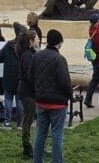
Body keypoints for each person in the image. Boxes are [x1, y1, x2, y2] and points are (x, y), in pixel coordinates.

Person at [31, 28, 70, 163]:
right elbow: (65, 82)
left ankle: (37, 160)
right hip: (58, 103)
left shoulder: (37, 56)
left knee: (40, 133)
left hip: (41, 101)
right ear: (59, 43)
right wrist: (69, 96)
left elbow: (31, 76)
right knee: (57, 134)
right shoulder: (59, 59)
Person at [16, 29, 39, 158]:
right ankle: (27, 146)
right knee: (28, 120)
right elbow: (30, 76)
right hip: (28, 93)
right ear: (30, 41)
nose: (39, 40)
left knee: (28, 119)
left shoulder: (28, 54)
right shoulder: (27, 56)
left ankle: (30, 145)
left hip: (28, 91)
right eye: (36, 38)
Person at [0, 31, 23, 129]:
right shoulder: (25, 48)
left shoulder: (9, 45)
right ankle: (20, 124)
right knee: (19, 100)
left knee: (8, 99)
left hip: (9, 76)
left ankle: (7, 122)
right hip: (20, 78)